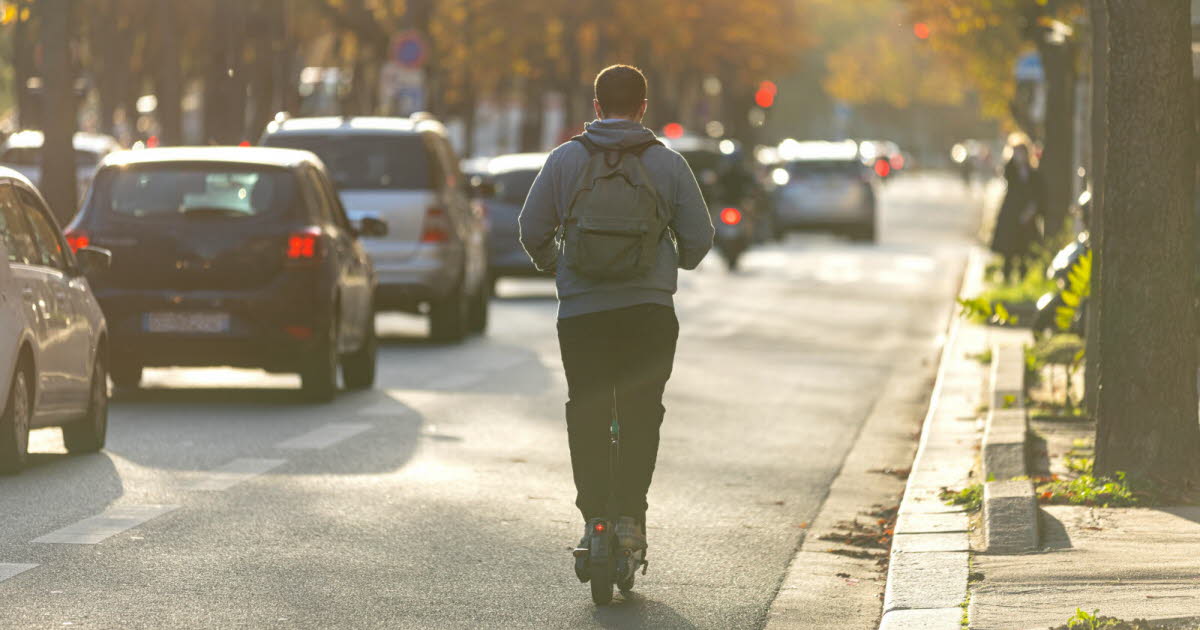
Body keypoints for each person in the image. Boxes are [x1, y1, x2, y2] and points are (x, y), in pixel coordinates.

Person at [518, 65, 714, 557]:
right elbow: (700, 238)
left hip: (582, 314)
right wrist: (677, 260)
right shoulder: (668, 164)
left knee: (586, 410)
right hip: (647, 311)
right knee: (640, 414)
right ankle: (630, 521)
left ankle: (594, 522)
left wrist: (556, 266)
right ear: (644, 107)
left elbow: (530, 226)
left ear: (597, 107)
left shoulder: (565, 159)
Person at [991, 143, 1046, 282]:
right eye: (1016, 153)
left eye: (1021, 153)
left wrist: (1031, 211)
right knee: (1008, 250)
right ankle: (1006, 278)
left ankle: (1023, 278)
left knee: (1024, 250)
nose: (1019, 156)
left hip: (1026, 217)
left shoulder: (1032, 172)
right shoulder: (1011, 170)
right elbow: (1008, 175)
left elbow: (1037, 193)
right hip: (1011, 215)